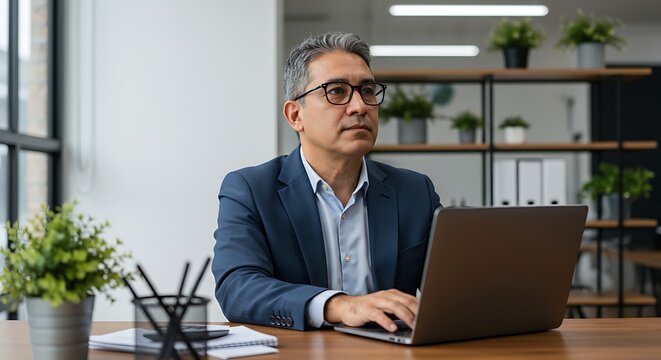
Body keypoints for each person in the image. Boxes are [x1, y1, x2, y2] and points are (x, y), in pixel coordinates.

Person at [212, 32, 440, 332]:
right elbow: (238, 288)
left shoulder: (414, 191)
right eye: (336, 91)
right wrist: (338, 305)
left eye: (367, 91)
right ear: (295, 115)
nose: (360, 106)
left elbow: (456, 286)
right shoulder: (251, 190)